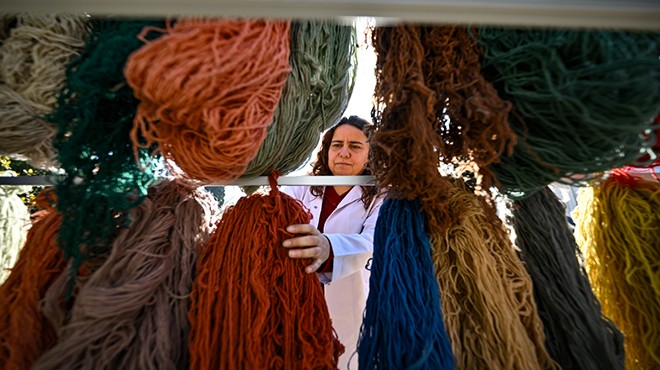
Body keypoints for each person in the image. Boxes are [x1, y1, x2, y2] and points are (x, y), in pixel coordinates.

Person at [282, 115, 384, 369]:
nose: (344, 153)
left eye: (355, 146)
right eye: (337, 145)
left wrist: (329, 247)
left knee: (345, 360)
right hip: (296, 302)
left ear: (372, 154)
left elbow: (374, 242)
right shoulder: (302, 187)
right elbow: (276, 218)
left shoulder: (381, 195)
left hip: (351, 305)